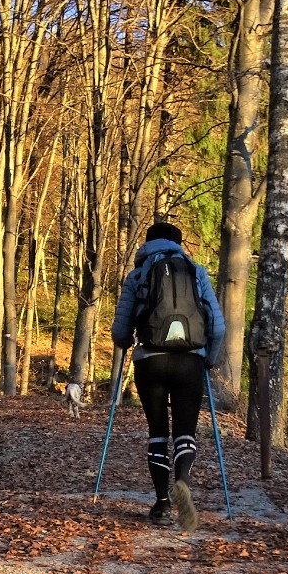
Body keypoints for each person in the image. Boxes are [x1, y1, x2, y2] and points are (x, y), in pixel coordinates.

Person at [110, 221, 225, 530]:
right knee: (185, 430)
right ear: (178, 243)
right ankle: (182, 482)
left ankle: (161, 505)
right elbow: (217, 326)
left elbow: (121, 329)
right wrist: (209, 359)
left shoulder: (137, 275)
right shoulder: (196, 272)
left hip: (151, 362)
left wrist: (124, 342)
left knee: (158, 432)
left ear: (148, 244)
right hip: (190, 363)